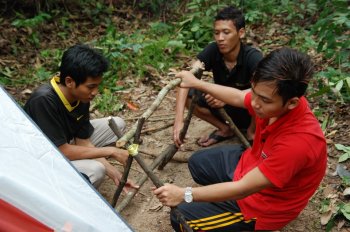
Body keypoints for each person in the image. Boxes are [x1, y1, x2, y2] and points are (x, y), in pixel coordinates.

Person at [153, 48, 327, 231]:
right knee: (198, 164)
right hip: (252, 164)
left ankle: (242, 221)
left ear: (292, 102)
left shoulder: (298, 143)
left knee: (182, 217)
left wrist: (185, 194)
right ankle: (222, 201)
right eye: (254, 91)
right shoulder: (271, 99)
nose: (254, 102)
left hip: (264, 205)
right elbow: (238, 96)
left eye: (264, 100)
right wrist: (197, 84)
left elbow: (244, 188)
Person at [24, 44, 138, 192]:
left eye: (97, 86)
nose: (95, 92)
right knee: (96, 171)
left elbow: (83, 141)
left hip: (65, 143)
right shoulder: (43, 101)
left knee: (117, 124)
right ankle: (64, 193)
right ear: (70, 82)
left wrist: (115, 174)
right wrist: (110, 151)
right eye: (91, 87)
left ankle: (79, 170)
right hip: (42, 159)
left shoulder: (80, 96)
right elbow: (62, 151)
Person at [173, 6, 263, 147]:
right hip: (223, 111)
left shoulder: (253, 58)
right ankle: (224, 129)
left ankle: (252, 133)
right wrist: (178, 123)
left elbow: (263, 94)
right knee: (190, 94)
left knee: (259, 99)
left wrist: (225, 99)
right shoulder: (213, 50)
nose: (220, 38)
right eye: (216, 33)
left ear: (241, 33)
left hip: (250, 113)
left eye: (226, 32)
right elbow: (185, 80)